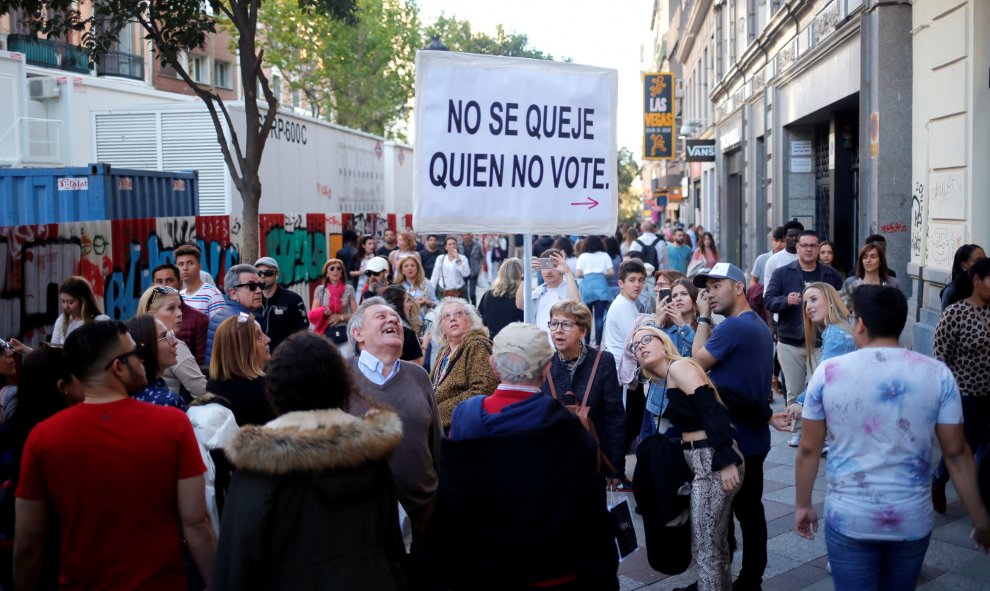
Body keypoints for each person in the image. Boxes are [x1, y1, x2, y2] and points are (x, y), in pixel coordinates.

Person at [794, 285, 990, 589]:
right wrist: (980, 519)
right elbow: (956, 453)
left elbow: (809, 448)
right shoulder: (937, 374)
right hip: (911, 519)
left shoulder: (829, 372)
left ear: (860, 324)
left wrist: (803, 504)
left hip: (849, 518)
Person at [13, 321, 215, 590]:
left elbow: (28, 540)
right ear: (118, 367)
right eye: (136, 353)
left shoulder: (43, 438)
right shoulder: (173, 425)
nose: (143, 359)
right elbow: (196, 523)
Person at [430, 322, 619, 590]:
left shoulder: (466, 415)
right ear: (545, 369)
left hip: (483, 568)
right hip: (553, 570)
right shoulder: (568, 427)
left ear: (493, 366)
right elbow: (588, 510)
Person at [212, 332, 408, 590]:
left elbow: (235, 565)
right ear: (341, 383)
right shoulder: (370, 455)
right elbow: (393, 542)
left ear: (276, 387)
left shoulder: (259, 465)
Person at [691, 262, 788, 591]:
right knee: (748, 512)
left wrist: (702, 317)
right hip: (752, 436)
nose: (709, 294)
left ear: (738, 287)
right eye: (706, 288)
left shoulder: (732, 327)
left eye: (716, 286)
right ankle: (747, 578)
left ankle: (733, 579)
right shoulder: (755, 324)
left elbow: (693, 363)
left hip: (735, 439)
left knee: (724, 516)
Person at [632, 325, 743, 590]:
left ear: (663, 343)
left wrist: (726, 459)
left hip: (713, 457)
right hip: (702, 459)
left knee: (706, 547)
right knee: (714, 545)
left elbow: (711, 408)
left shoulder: (678, 367)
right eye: (635, 346)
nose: (641, 346)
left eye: (647, 339)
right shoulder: (665, 377)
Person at [346, 297, 443, 555]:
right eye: (381, 317)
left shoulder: (419, 376)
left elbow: (438, 445)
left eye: (396, 319)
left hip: (424, 516)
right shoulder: (339, 378)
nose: (393, 320)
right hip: (363, 522)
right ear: (358, 334)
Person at [765, 230, 843, 446]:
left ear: (818, 249)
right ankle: (798, 430)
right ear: (797, 248)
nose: (808, 249)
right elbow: (768, 301)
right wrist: (784, 301)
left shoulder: (830, 275)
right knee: (794, 389)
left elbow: (840, 304)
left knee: (820, 388)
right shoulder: (782, 273)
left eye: (813, 245)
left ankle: (822, 434)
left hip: (821, 342)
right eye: (804, 245)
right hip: (790, 341)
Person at [540, 300, 626, 484]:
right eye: (554, 324)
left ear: (583, 331)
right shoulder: (544, 362)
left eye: (566, 324)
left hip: (592, 459)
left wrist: (614, 466)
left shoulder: (602, 361)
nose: (558, 330)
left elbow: (614, 417)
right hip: (553, 462)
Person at [931, 257, 990, 514]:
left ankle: (983, 498)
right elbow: (940, 356)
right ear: (977, 281)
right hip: (966, 394)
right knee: (963, 446)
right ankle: (938, 479)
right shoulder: (955, 313)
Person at [784, 282, 856, 455]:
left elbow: (823, 377)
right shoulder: (837, 329)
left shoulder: (836, 334)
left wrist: (800, 402)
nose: (808, 307)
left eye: (814, 300)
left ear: (831, 301)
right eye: (806, 303)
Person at [429, 297, 500, 431]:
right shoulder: (444, 351)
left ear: (470, 320)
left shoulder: (477, 345)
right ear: (441, 325)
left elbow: (483, 390)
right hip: (440, 427)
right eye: (446, 316)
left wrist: (437, 413)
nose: (452, 318)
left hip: (462, 428)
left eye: (458, 313)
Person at [137, 285, 207, 400]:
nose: (179, 313)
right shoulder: (175, 346)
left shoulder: (132, 342)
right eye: (171, 308)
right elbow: (203, 393)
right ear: (150, 316)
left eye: (179, 307)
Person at [206, 313, 273, 427]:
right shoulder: (263, 389)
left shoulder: (213, 383)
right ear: (242, 349)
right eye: (258, 336)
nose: (268, 339)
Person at [205, 263, 264, 366]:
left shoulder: (219, 314)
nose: (259, 291)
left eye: (260, 285)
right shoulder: (243, 321)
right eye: (252, 286)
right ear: (233, 293)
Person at [516, 249, 582, 339]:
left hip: (562, 346)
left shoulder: (570, 288)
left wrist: (567, 272)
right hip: (541, 347)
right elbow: (520, 304)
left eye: (553, 266)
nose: (548, 271)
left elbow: (575, 304)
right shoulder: (539, 291)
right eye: (545, 266)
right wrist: (526, 274)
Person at [126, 314, 187, 410]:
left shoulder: (128, 393)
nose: (175, 341)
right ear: (145, 349)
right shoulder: (168, 402)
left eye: (170, 334)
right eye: (164, 336)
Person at [153, 262, 209, 366]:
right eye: (159, 281)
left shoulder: (199, 319)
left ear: (180, 284)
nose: (164, 286)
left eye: (169, 280)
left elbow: (201, 364)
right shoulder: (147, 318)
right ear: (153, 286)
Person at [253, 257, 308, 352]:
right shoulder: (252, 299)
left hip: (284, 358)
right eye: (259, 273)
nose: (262, 276)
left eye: (268, 273)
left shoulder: (293, 299)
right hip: (258, 358)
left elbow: (302, 333)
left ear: (277, 275)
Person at [602, 259, 647, 369]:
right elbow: (634, 342)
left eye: (640, 280)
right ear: (621, 283)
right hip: (621, 371)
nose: (637, 285)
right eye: (632, 280)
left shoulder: (627, 303)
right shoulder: (623, 306)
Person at [309, 258, 358, 354]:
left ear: (342, 272)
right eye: (332, 268)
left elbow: (356, 314)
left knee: (345, 362)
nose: (335, 270)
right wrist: (323, 311)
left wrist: (341, 317)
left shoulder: (349, 289)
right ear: (327, 273)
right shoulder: (320, 290)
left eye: (338, 268)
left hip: (345, 333)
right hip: (325, 333)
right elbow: (313, 314)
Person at [575, 236, 615, 346]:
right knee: (599, 317)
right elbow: (611, 272)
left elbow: (578, 274)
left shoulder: (583, 256)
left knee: (587, 317)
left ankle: (586, 343)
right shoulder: (604, 255)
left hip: (587, 286)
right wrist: (602, 275)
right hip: (601, 285)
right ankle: (597, 343)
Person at [841, 242, 899, 311]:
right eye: (865, 257)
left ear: (880, 261)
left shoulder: (892, 283)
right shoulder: (851, 282)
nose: (868, 260)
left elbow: (898, 311)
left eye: (873, 257)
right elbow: (841, 310)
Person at [50, 276, 107, 345]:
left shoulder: (100, 321)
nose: (66, 307)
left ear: (83, 301)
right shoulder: (61, 320)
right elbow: (54, 348)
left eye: (70, 302)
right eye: (63, 301)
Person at [477, 257, 523, 339]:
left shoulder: (488, 295)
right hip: (514, 345)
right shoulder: (520, 301)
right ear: (520, 276)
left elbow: (480, 320)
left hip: (491, 343)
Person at [176, 243, 225, 317]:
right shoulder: (179, 296)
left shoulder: (213, 295)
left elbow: (219, 326)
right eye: (181, 264)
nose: (185, 268)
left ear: (199, 267)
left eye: (190, 263)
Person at [382, 286, 425, 365]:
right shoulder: (407, 334)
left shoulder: (377, 329)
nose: (411, 304)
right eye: (408, 301)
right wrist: (425, 344)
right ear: (400, 305)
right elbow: (417, 366)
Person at [657, 278, 699, 357]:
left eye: (684, 294)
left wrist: (683, 325)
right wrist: (657, 321)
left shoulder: (706, 327)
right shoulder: (665, 331)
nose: (679, 298)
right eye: (674, 296)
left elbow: (700, 354)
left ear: (694, 299)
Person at [761, 220, 804, 289]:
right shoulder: (773, 260)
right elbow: (768, 293)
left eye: (797, 235)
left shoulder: (808, 257)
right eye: (791, 235)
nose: (794, 238)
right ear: (784, 237)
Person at [940, 244, 986, 309]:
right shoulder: (952, 291)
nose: (984, 263)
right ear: (964, 265)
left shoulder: (986, 286)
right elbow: (947, 317)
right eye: (978, 261)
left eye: (985, 259)